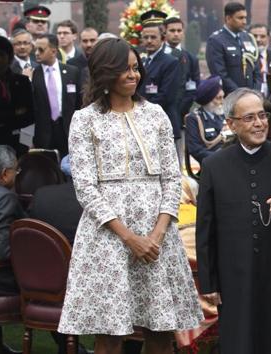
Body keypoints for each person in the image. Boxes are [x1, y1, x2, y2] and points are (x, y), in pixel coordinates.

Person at [57, 38, 203, 354]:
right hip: (107, 237)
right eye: (124, 69)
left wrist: (156, 234)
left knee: (160, 328)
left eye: (136, 68)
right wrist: (129, 237)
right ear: (105, 73)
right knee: (109, 333)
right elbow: (85, 188)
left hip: (158, 236)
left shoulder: (156, 115)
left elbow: (172, 179)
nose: (133, 75)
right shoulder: (85, 119)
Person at [196, 87, 271, 354]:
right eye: (249, 118)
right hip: (233, 276)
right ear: (231, 124)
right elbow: (206, 229)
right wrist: (209, 281)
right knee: (239, 342)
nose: (259, 123)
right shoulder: (214, 166)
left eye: (262, 115)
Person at [138, 10, 182, 159]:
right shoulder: (142, 61)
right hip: (144, 125)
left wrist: (139, 108)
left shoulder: (170, 62)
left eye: (153, 37)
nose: (149, 41)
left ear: (162, 39)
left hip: (164, 123)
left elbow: (166, 96)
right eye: (146, 37)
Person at [31, 34, 81, 157]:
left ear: (53, 51)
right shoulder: (33, 74)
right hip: (42, 133)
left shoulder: (71, 72)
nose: (37, 53)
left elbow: (78, 104)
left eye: (41, 50)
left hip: (67, 131)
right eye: (36, 49)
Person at [0, 145, 24, 354]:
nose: (17, 174)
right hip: (2, 278)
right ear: (5, 174)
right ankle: (68, 347)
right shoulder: (6, 198)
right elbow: (3, 251)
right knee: (47, 282)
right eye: (16, 170)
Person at [206, 2, 261, 95]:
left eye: (245, 17)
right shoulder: (216, 40)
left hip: (251, 95)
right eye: (240, 18)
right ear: (228, 18)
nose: (244, 21)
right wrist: (239, 94)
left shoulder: (248, 37)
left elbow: (256, 69)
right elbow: (220, 73)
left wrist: (255, 91)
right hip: (230, 97)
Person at [0, 36, 34, 156]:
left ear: (9, 58)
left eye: (1, 55)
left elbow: (29, 116)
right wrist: (13, 113)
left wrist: (25, 144)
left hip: (16, 144)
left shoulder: (22, 82)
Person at [163, 17, 200, 120]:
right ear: (164, 32)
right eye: (172, 30)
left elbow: (193, 86)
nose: (176, 34)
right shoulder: (157, 55)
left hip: (181, 111)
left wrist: (182, 108)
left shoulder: (191, 58)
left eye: (179, 31)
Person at [185, 76, 227, 163]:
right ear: (208, 100)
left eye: (223, 97)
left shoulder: (224, 116)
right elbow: (196, 150)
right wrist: (222, 158)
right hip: (213, 165)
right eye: (218, 98)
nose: (222, 101)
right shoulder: (194, 119)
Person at [249, 23, 271, 96]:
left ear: (268, 38)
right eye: (254, 36)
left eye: (262, 36)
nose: (258, 40)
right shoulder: (243, 58)